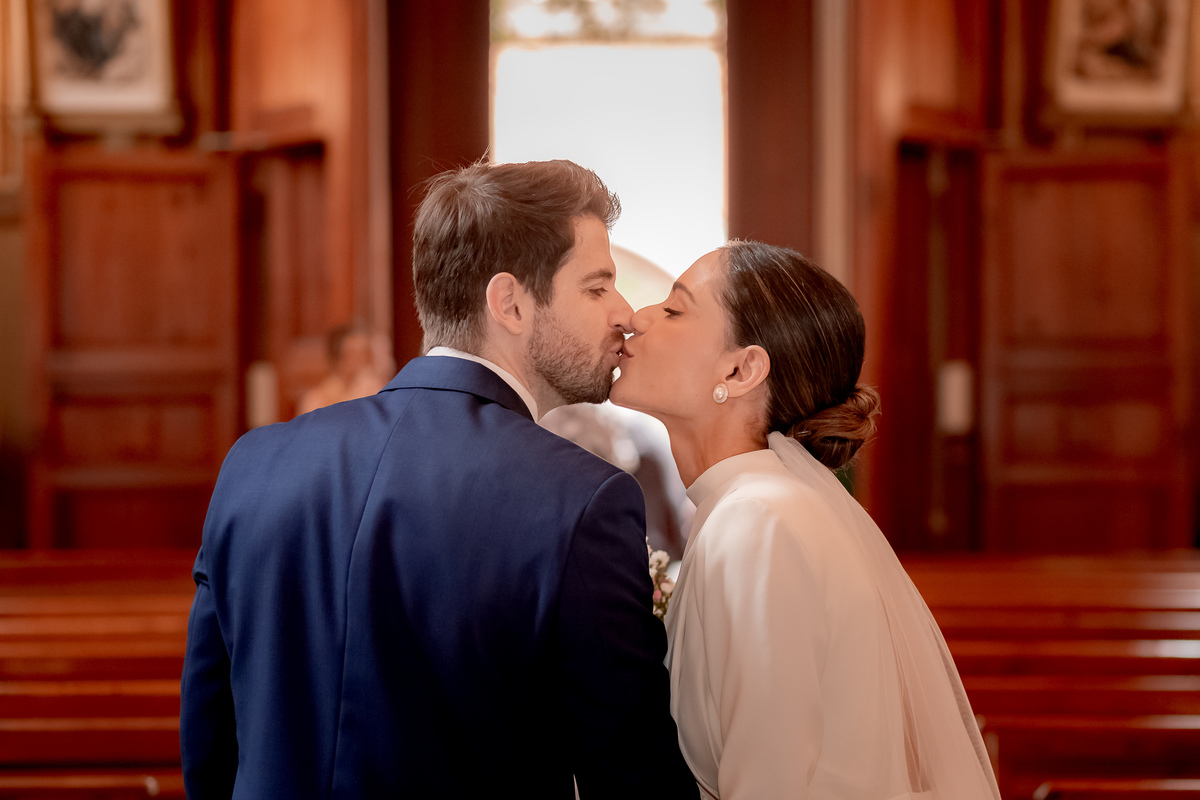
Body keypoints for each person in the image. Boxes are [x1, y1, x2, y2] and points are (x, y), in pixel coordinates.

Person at [180, 160, 698, 800]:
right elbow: (628, 775)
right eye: (597, 288)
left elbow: (210, 745)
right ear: (509, 302)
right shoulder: (581, 499)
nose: (624, 312)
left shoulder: (254, 463)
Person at [609, 240, 1001, 800]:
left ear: (742, 369)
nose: (636, 317)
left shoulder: (758, 523)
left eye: (674, 310)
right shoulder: (750, 507)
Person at [296, 323, 389, 415]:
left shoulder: (374, 390)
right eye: (355, 355)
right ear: (337, 359)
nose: (363, 362)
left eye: (366, 354)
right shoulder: (314, 400)